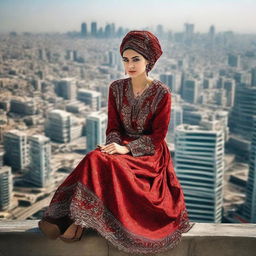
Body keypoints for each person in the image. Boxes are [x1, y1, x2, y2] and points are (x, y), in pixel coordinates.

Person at [38, 30, 195, 254]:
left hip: (148, 154)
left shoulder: (162, 93)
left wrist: (127, 149)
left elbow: (158, 137)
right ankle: (67, 219)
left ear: (148, 61)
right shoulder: (116, 88)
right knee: (95, 157)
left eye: (136, 59)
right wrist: (113, 145)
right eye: (125, 59)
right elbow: (112, 127)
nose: (130, 65)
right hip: (119, 144)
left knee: (108, 163)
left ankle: (71, 224)